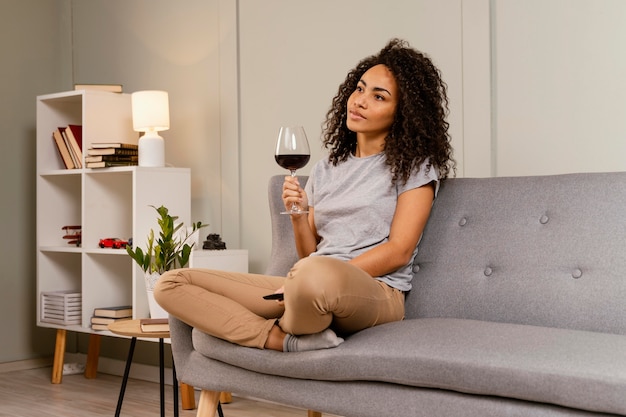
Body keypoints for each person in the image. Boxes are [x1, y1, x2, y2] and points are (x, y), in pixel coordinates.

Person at [154, 38, 455, 352]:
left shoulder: (415, 168)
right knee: (171, 284)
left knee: (311, 276)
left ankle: (291, 312)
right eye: (360, 88)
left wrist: (318, 276)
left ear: (403, 113)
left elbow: (399, 251)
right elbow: (308, 252)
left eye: (378, 96)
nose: (360, 101)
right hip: (308, 285)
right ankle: (283, 341)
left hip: (375, 292)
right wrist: (298, 216)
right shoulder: (328, 168)